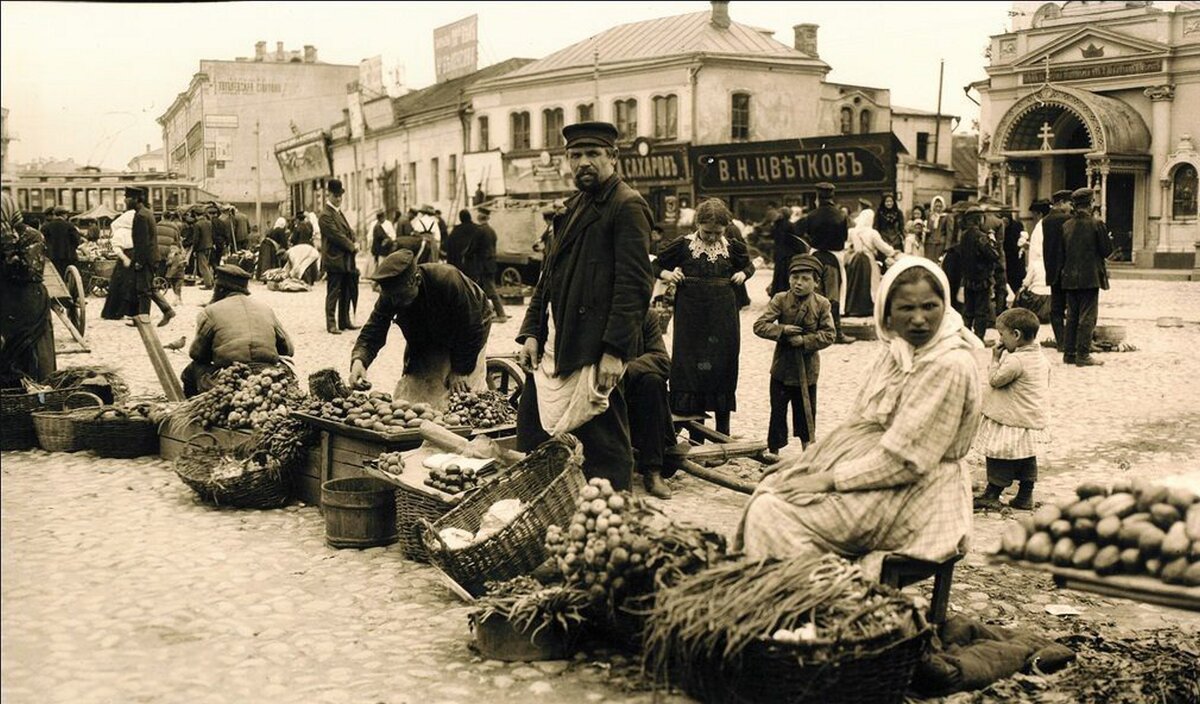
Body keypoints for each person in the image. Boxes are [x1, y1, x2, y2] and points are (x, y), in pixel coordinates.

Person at [736, 258, 983, 577]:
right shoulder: (900, 348)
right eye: (906, 309)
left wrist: (826, 479)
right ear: (887, 313)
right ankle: (795, 594)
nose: (919, 319)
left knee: (774, 510)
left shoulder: (947, 364)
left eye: (930, 307)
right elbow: (860, 421)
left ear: (945, 305)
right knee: (775, 485)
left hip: (918, 495)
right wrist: (813, 460)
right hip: (883, 477)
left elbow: (905, 461)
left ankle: (809, 600)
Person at [515, 120, 654, 492]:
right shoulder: (572, 207)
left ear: (613, 157)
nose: (583, 163)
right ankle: (544, 512)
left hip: (593, 348)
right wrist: (531, 331)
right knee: (532, 433)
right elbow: (547, 277)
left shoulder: (626, 206)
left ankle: (612, 520)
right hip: (556, 344)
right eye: (575, 155)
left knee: (604, 444)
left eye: (593, 154)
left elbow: (635, 285)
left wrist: (615, 351)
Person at [654, 198, 750, 437]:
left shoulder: (732, 246)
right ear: (697, 224)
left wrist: (742, 274)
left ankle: (723, 432)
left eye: (717, 233)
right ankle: (695, 430)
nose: (711, 238)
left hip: (723, 317)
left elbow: (748, 266)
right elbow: (655, 265)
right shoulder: (683, 246)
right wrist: (668, 274)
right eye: (707, 232)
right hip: (691, 317)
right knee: (691, 366)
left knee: (722, 364)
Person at [350, 249, 493, 405]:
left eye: (401, 297)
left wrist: (460, 371)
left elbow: (471, 328)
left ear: (416, 280)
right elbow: (374, 329)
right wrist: (360, 360)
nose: (396, 302)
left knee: (460, 395)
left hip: (469, 329)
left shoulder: (448, 279)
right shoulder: (391, 295)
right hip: (427, 334)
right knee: (414, 395)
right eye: (392, 298)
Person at [754, 253, 835, 462]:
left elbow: (829, 335)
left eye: (805, 279)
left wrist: (806, 341)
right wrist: (782, 330)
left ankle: (808, 452)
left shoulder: (822, 304)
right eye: (794, 277)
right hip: (782, 369)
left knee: (806, 413)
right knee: (777, 412)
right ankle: (774, 453)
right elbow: (760, 326)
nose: (798, 283)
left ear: (816, 282)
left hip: (807, 371)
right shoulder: (780, 299)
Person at [973, 307, 1051, 511]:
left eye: (1002, 335)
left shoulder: (1016, 360)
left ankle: (993, 493)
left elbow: (995, 380)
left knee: (999, 454)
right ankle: (1025, 495)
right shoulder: (1041, 359)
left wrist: (995, 359)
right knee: (1026, 456)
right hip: (1030, 418)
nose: (1000, 340)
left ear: (1016, 335)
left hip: (1011, 419)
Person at [180, 265, 294, 397]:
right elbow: (288, 350)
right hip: (268, 378)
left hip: (230, 378)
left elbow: (197, 354)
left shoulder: (211, 311)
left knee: (191, 370)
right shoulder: (265, 309)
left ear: (220, 289)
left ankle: (193, 408)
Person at [1, 192, 56, 385]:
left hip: (28, 301)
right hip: (7, 302)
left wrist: (9, 250)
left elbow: (30, 272)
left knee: (33, 352)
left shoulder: (31, 235)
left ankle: (37, 393)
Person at [626, 310, 682, 499]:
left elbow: (662, 361)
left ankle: (653, 470)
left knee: (653, 381)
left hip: (633, 403)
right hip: (597, 396)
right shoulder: (595, 313)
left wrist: (622, 372)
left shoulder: (645, 316)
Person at [1057, 187, 1112, 367]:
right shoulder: (1097, 224)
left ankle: (1069, 353)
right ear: (1091, 203)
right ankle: (1083, 354)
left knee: (1072, 316)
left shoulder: (1066, 226)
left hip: (1069, 277)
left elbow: (1062, 253)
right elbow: (1106, 251)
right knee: (1088, 317)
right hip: (1089, 277)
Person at [795, 182, 854, 344]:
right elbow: (843, 238)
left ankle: (812, 330)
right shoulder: (841, 216)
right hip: (834, 260)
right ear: (832, 196)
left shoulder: (811, 216)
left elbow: (797, 232)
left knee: (813, 295)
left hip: (815, 258)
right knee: (833, 297)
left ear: (817, 197)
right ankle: (836, 333)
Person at [318, 179, 359, 335]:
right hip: (334, 258)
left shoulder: (338, 212)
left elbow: (348, 231)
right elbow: (336, 236)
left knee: (346, 291)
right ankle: (331, 323)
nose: (338, 199)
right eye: (336, 196)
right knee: (333, 292)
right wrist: (351, 245)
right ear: (328, 195)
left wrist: (354, 239)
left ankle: (344, 321)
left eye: (340, 196)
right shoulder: (325, 215)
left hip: (345, 259)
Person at [843, 208, 898, 318]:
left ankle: (851, 307)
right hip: (867, 260)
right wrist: (893, 251)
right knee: (871, 284)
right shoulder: (872, 233)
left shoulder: (852, 232)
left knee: (853, 283)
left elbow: (846, 245)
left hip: (855, 259)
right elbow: (883, 247)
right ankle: (866, 307)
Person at [956, 205, 999, 340]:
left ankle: (966, 337)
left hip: (968, 278)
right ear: (978, 219)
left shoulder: (963, 236)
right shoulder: (981, 236)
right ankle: (978, 338)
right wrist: (992, 240)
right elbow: (993, 255)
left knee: (968, 310)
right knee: (981, 310)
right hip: (982, 278)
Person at [1040, 190, 1074, 350]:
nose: (1071, 207)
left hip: (1052, 269)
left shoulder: (1046, 220)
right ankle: (1069, 342)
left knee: (1057, 308)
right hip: (1067, 269)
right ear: (1061, 203)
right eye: (1069, 203)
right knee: (1072, 307)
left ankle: (1060, 341)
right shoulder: (1067, 220)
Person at [464, 206, 509, 323]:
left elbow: (473, 248)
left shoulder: (480, 230)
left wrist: (465, 255)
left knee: (490, 290)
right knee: (482, 289)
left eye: (478, 214)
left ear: (481, 217)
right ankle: (486, 312)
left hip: (483, 265)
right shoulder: (491, 230)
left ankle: (501, 314)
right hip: (490, 264)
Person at [1016, 200, 1053, 322]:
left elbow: (1040, 250)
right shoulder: (1046, 224)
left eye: (1034, 214)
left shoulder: (1042, 226)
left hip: (1039, 266)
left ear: (1040, 213)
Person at [769, 206, 806, 296]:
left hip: (779, 253)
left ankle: (776, 293)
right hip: (789, 254)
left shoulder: (775, 225)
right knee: (787, 275)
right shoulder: (790, 225)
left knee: (778, 275)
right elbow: (795, 240)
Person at [41, 206, 80, 279]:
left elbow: (43, 242)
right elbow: (76, 241)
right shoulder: (70, 226)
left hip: (52, 256)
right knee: (67, 277)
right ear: (64, 215)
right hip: (68, 256)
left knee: (56, 277)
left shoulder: (46, 227)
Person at [191, 208, 215, 289]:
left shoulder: (197, 224)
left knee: (203, 267)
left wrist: (194, 249)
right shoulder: (209, 223)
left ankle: (208, 284)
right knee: (207, 265)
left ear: (196, 215)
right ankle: (211, 281)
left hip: (201, 247)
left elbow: (196, 239)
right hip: (209, 246)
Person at [925, 195, 953, 260]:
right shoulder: (930, 216)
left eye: (940, 206)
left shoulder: (946, 217)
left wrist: (947, 247)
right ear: (933, 206)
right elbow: (928, 228)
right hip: (930, 243)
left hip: (940, 244)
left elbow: (949, 233)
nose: (938, 208)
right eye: (936, 206)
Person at [209, 203, 231, 269]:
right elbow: (226, 234)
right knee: (218, 258)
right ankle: (217, 271)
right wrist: (227, 243)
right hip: (221, 242)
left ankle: (215, 270)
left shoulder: (210, 223)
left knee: (213, 259)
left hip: (213, 243)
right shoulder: (222, 222)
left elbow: (212, 234)